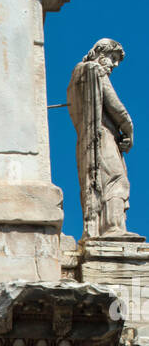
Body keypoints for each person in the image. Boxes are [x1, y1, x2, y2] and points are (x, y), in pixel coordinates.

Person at [67, 39, 134, 238]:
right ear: (100, 53)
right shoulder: (95, 71)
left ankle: (105, 226)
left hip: (87, 139)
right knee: (115, 179)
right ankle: (112, 228)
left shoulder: (75, 77)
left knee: (102, 180)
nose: (114, 64)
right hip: (102, 136)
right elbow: (115, 105)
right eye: (112, 58)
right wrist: (129, 128)